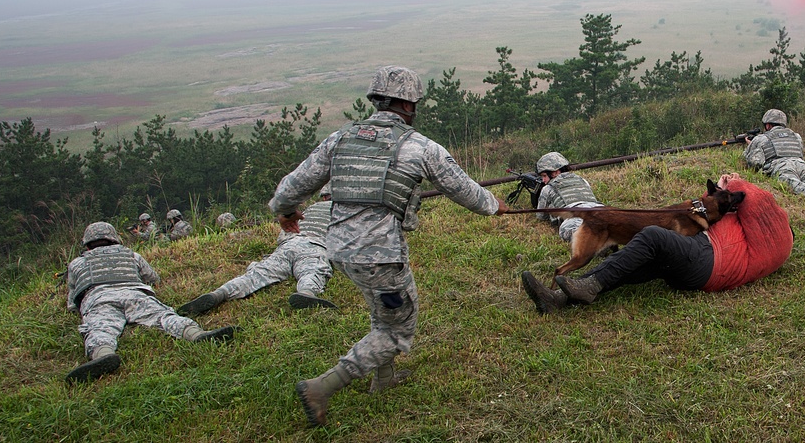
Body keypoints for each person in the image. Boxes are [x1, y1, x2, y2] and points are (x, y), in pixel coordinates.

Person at [268, 65, 508, 428]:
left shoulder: (340, 139)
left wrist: (285, 212)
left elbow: (292, 186)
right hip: (380, 254)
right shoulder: (420, 147)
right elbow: (462, 188)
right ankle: (322, 386)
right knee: (397, 329)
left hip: (338, 250)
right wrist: (494, 204)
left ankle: (384, 379)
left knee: (384, 309)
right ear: (409, 105)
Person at [521, 173, 792, 313]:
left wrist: (730, 182)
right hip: (700, 267)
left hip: (708, 262)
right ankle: (559, 299)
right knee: (640, 257)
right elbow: (720, 203)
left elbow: (751, 196)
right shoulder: (759, 237)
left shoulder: (771, 230)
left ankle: (588, 285)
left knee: (652, 235)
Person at [64, 222, 237, 384]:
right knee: (163, 316)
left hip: (99, 298)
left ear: (87, 245)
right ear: (114, 239)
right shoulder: (131, 254)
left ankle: (103, 354)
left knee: (99, 328)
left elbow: (72, 302)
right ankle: (196, 334)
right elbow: (153, 278)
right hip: (134, 293)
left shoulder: (77, 263)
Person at [178, 188, 337, 316]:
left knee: (256, 275)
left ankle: (220, 293)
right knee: (313, 271)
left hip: (288, 245)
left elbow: (285, 230)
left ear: (322, 197)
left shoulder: (309, 209)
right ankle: (307, 292)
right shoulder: (339, 213)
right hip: (315, 245)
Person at [534, 151, 604, 241]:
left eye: (544, 176)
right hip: (599, 209)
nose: (543, 180)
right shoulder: (582, 180)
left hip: (574, 214)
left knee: (570, 232)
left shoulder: (548, 188)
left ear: (555, 172)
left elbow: (541, 216)